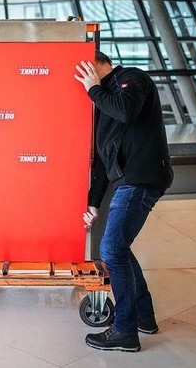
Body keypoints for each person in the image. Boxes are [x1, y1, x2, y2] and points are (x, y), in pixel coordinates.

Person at [74, 50, 173, 352]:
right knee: (119, 250)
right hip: (127, 181)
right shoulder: (104, 102)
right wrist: (93, 201)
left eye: (82, 72)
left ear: (93, 64)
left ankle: (125, 331)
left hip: (141, 177)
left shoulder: (131, 77)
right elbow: (104, 160)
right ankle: (144, 316)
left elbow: (127, 111)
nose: (80, 80)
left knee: (112, 250)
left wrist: (93, 88)